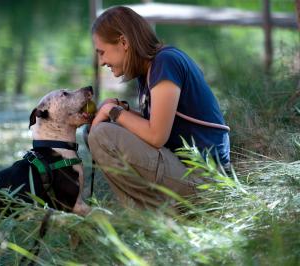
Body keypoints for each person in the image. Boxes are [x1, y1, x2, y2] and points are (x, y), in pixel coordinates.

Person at [87, 6, 230, 209]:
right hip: (189, 172)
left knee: (102, 135)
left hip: (207, 184)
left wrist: (113, 111)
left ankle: (147, 217)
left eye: (102, 52)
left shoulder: (165, 62)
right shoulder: (149, 69)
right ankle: (148, 216)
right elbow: (157, 125)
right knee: (108, 129)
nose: (101, 62)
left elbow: (156, 136)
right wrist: (121, 110)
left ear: (124, 42)